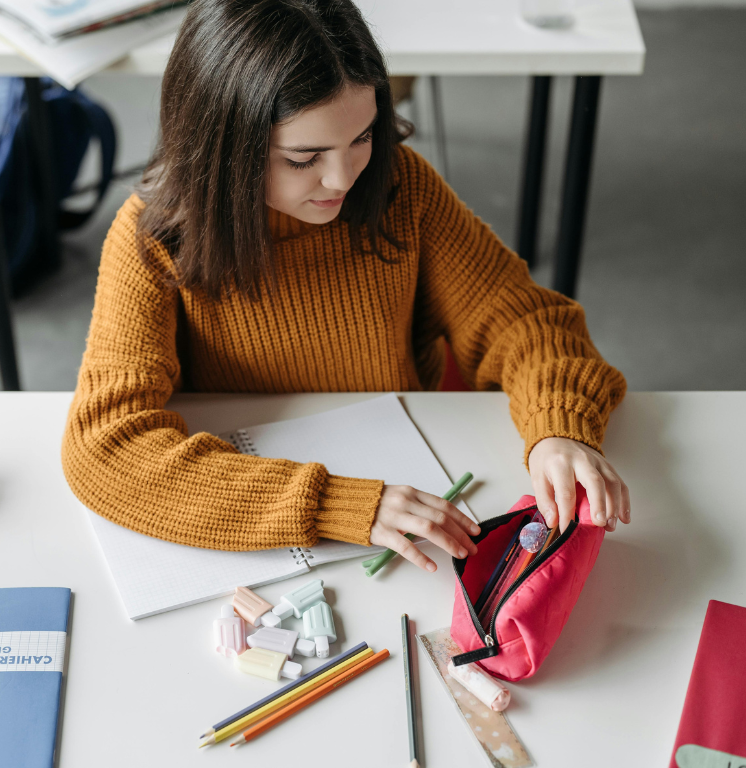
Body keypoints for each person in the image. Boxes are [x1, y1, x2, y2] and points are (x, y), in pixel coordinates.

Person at [62, 0, 630, 573]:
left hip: (409, 503)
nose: (342, 178)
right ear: (224, 148)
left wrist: (560, 426)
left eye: (361, 137)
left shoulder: (401, 188)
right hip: (277, 536)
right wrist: (336, 504)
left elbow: (523, 321)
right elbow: (106, 447)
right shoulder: (154, 238)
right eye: (304, 158)